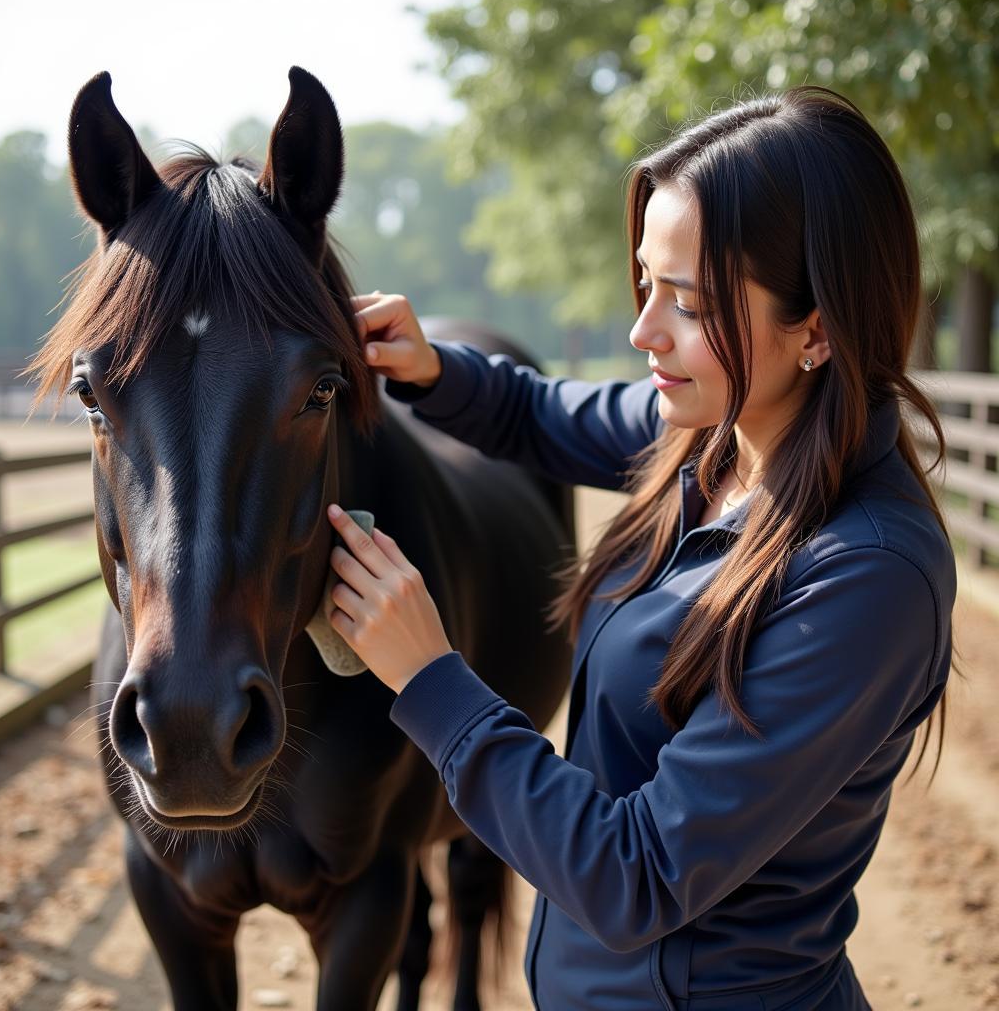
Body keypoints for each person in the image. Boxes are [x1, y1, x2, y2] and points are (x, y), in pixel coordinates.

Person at [324, 84, 957, 1010]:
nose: (641, 331)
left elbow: (640, 875)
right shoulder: (717, 434)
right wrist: (432, 366)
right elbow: (545, 413)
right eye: (646, 283)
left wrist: (430, 679)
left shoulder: (866, 578)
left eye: (689, 304)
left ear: (816, 327)